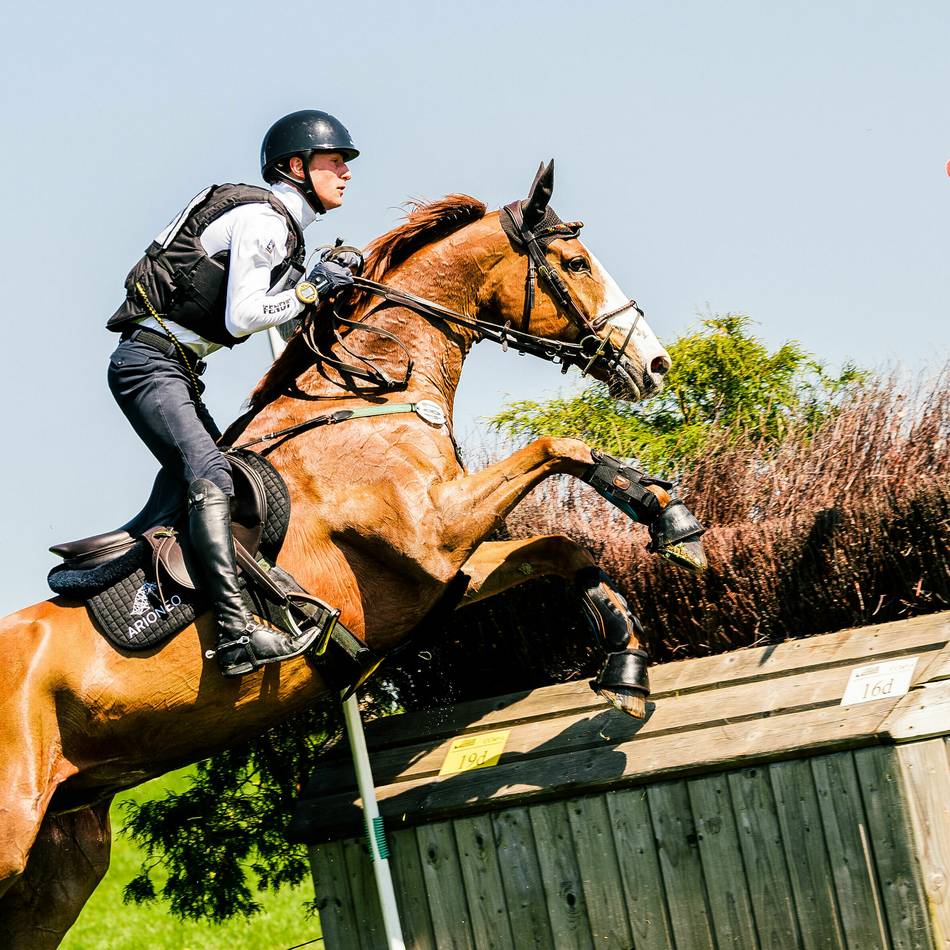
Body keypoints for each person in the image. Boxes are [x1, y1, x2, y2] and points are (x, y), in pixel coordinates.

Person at [105, 110, 360, 677]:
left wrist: (323, 293)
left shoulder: (281, 228)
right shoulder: (265, 222)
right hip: (149, 366)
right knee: (214, 479)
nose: (346, 172)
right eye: (334, 161)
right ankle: (237, 632)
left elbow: (286, 319)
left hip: (172, 368)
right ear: (297, 166)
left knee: (207, 483)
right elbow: (246, 315)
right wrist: (312, 290)